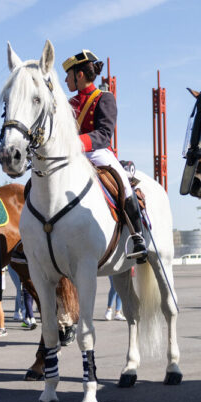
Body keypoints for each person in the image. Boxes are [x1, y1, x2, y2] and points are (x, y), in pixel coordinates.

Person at [62, 50, 147, 262]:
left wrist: (75, 143)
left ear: (79, 75)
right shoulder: (68, 103)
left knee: (124, 185)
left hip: (97, 152)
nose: (65, 79)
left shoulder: (104, 98)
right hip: (72, 155)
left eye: (68, 75)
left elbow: (104, 134)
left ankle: (137, 237)